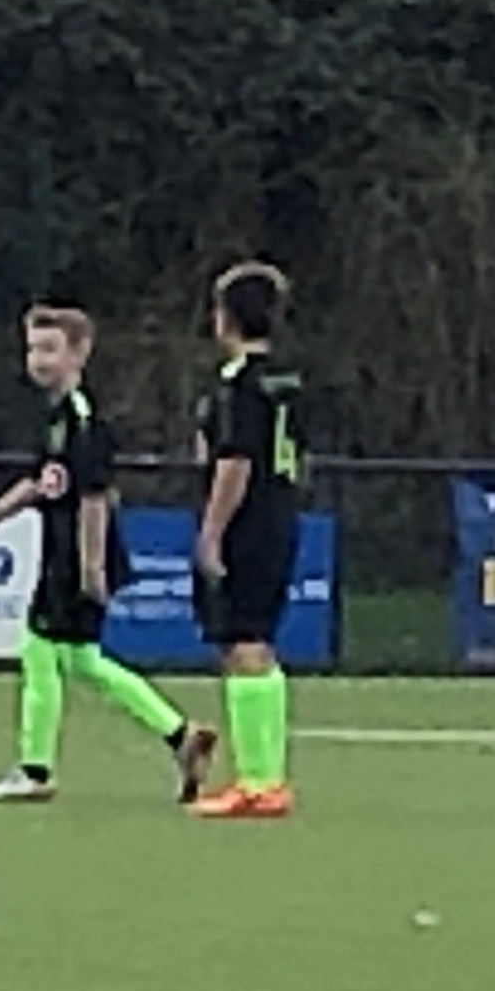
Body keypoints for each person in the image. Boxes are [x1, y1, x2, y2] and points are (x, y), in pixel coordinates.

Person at [0, 306, 218, 807]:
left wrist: (91, 569)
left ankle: (35, 770)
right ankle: (180, 734)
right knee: (83, 661)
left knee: (38, 651)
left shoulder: (84, 422)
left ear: (80, 354)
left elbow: (95, 499)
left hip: (75, 558)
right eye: (33, 348)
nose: (38, 359)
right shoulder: (56, 418)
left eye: (50, 349)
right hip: (64, 555)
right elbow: (39, 483)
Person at [187, 262, 309, 821]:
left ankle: (258, 783)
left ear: (227, 317)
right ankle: (266, 776)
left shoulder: (240, 385)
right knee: (257, 643)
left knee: (244, 645)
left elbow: (235, 462)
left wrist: (211, 532)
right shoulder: (289, 379)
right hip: (281, 513)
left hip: (249, 520)